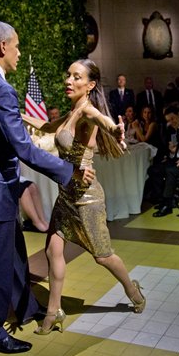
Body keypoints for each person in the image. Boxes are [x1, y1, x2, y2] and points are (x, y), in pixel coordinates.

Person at [0, 21, 95, 354]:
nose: (19, 52)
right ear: (2, 47)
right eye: (16, 46)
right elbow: (23, 148)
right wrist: (69, 171)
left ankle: (27, 307)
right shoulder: (0, 88)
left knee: (14, 252)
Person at [22, 58, 146, 335]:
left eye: (76, 77)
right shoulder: (73, 110)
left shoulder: (88, 111)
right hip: (66, 195)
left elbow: (98, 123)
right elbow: (46, 127)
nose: (69, 81)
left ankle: (132, 290)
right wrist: (17, 115)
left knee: (103, 256)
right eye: (68, 75)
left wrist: (114, 129)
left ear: (90, 85)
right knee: (53, 249)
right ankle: (54, 312)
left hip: (87, 199)